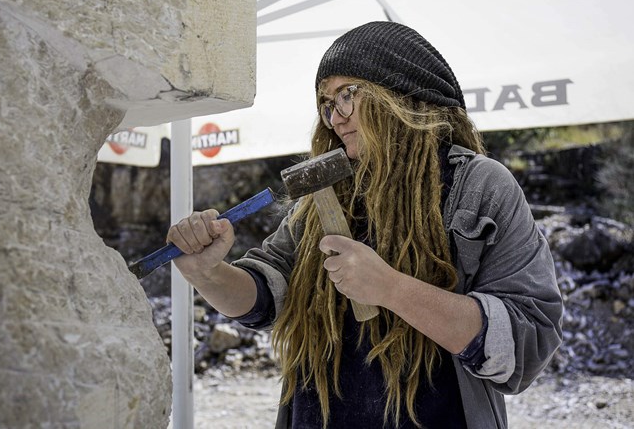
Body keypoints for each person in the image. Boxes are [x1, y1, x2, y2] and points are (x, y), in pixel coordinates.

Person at [166, 21, 563, 428]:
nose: (334, 118)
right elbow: (265, 296)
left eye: (346, 95)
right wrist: (208, 272)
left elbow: (527, 344)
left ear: (401, 93)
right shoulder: (324, 193)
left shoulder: (480, 186)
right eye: (325, 103)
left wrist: (391, 288)